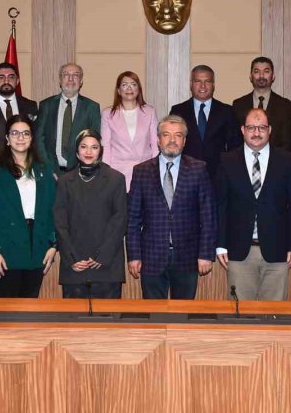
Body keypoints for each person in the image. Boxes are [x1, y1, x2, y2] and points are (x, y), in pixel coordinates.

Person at [215, 108, 291, 301]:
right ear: (242, 130)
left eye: (261, 127)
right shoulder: (227, 160)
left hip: (278, 251)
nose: (256, 133)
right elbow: (220, 206)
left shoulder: (287, 160)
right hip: (238, 252)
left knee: (274, 316)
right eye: (251, 127)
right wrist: (220, 245)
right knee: (239, 316)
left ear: (270, 130)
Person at [126, 115, 216, 299]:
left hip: (188, 256)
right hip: (151, 257)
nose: (172, 140)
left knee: (183, 317)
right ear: (158, 140)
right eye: (166, 135)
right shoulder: (141, 171)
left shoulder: (199, 169)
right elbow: (133, 219)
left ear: (184, 141)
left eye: (178, 135)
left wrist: (206, 254)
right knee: (152, 316)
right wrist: (134, 255)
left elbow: (208, 216)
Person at [0, 115, 57, 298]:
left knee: (30, 308)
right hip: (6, 249)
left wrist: (53, 244)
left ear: (31, 139)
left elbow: (53, 210)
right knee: (8, 311)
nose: (20, 138)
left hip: (37, 244)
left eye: (25, 133)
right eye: (15, 133)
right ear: (7, 138)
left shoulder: (44, 170)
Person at [53, 129, 127, 299]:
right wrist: (72, 258)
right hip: (75, 265)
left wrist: (102, 256)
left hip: (107, 265)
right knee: (73, 323)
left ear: (100, 151)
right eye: (84, 147)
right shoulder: (65, 182)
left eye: (94, 147)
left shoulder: (116, 179)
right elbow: (60, 222)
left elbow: (120, 220)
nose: (88, 152)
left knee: (107, 322)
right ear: (77, 152)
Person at [169, 65, 241, 180]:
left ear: (213, 85)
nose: (203, 86)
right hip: (185, 176)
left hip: (218, 176)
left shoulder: (226, 111)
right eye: (198, 81)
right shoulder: (178, 111)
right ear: (191, 84)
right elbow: (172, 144)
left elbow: (235, 146)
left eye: (207, 81)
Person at [35, 63, 101, 175]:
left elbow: (95, 142)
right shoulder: (46, 105)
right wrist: (48, 169)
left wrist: (82, 169)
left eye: (75, 75)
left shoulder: (92, 107)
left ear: (81, 82)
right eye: (66, 75)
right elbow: (38, 139)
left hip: (80, 173)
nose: (70, 78)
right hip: (51, 172)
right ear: (60, 81)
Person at [100, 71, 158, 190]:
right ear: (118, 90)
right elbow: (105, 146)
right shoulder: (108, 114)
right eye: (124, 84)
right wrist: (106, 173)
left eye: (133, 84)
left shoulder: (150, 112)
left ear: (139, 89)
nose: (129, 88)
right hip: (118, 172)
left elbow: (155, 144)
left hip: (145, 172)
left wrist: (157, 170)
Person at [232, 56, 291, 150]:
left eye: (266, 71)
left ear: (273, 76)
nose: (261, 76)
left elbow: (287, 142)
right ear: (250, 76)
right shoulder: (238, 105)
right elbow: (235, 140)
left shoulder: (284, 105)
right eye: (256, 71)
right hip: (244, 161)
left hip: (276, 161)